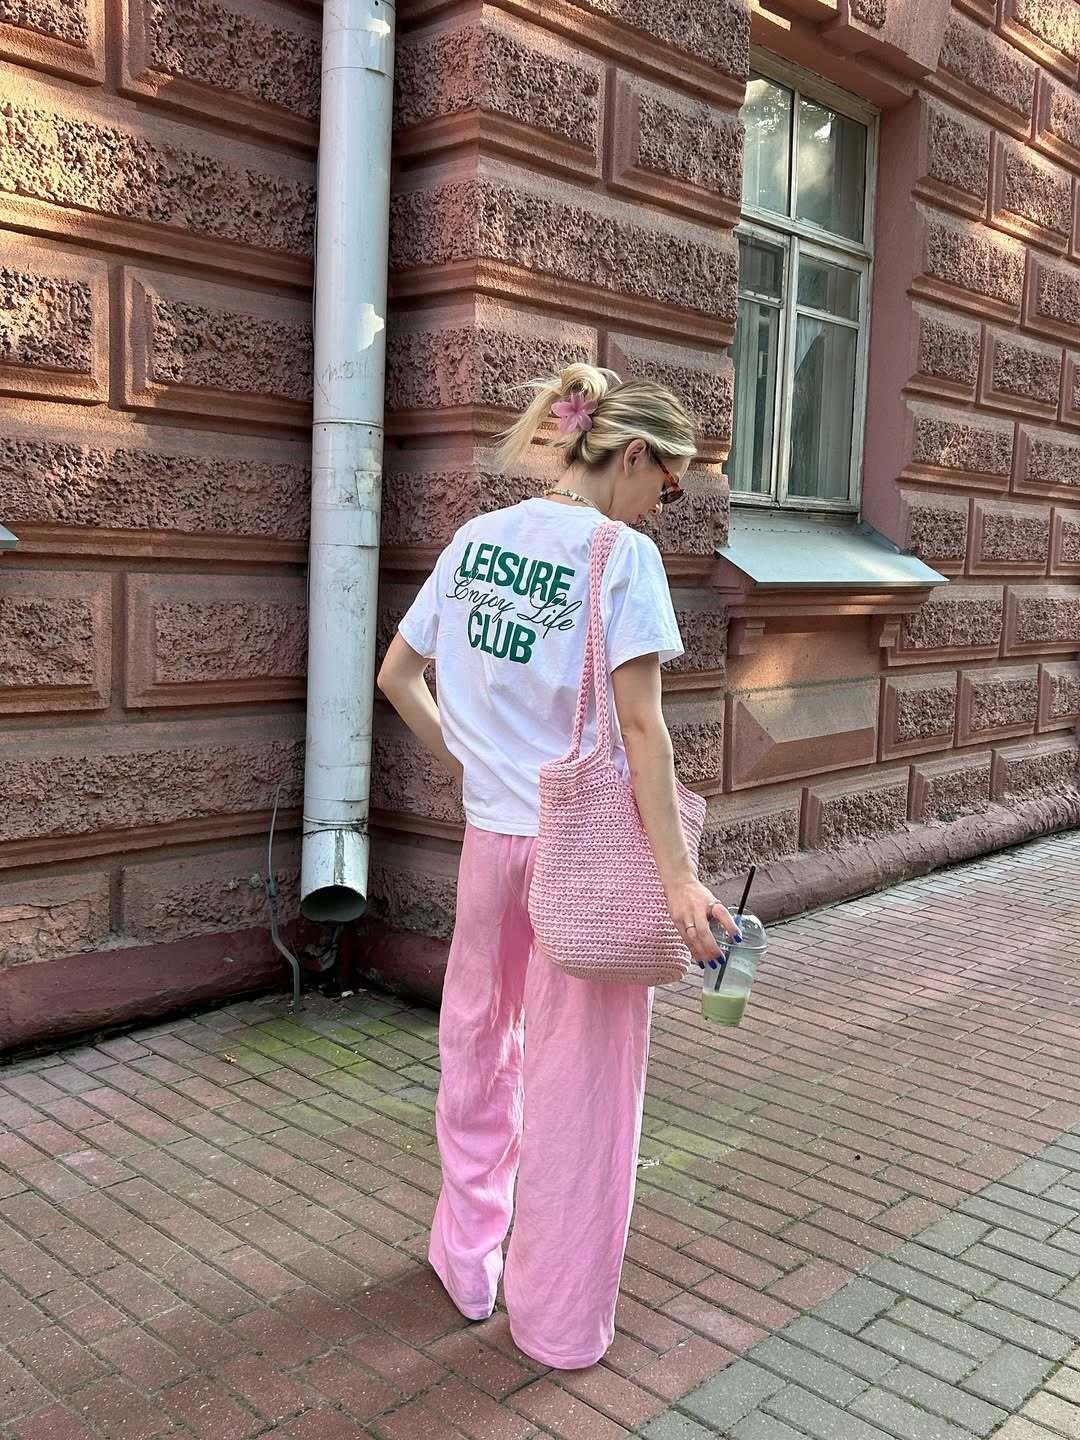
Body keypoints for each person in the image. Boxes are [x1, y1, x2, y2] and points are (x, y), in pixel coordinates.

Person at [377, 363, 739, 1370]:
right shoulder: (621, 557)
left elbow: (400, 676)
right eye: (668, 484)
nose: (663, 505)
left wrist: (472, 763)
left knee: (478, 1046)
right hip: (584, 858)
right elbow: (642, 730)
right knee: (582, 1090)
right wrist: (678, 878)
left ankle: (465, 1258)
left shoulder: (475, 541)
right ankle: (558, 1323)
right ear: (632, 455)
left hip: (490, 845)